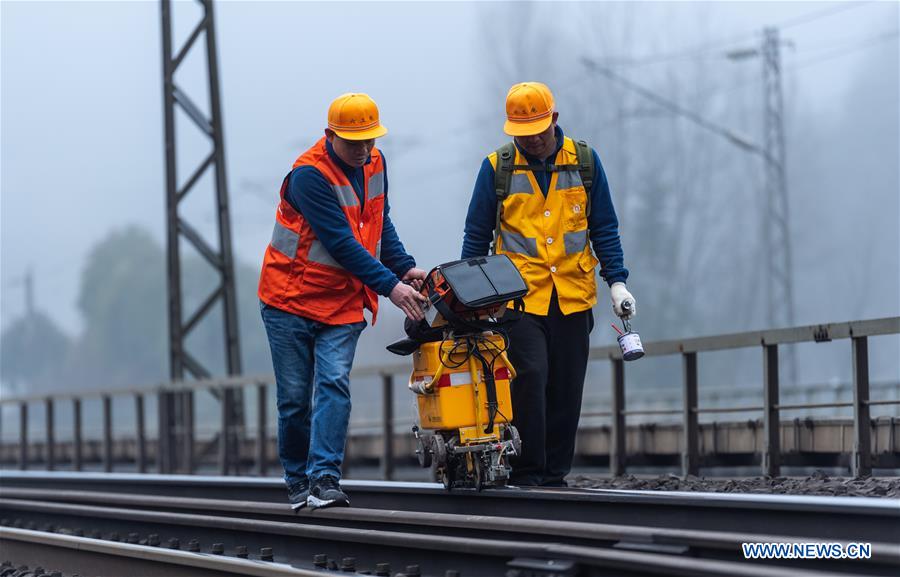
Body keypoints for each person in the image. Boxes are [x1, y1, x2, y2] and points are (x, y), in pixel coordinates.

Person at [461, 82, 636, 487]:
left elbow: (604, 228)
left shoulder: (586, 163)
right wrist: (474, 297)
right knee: (530, 375)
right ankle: (528, 472)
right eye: (523, 134)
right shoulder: (497, 168)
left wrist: (618, 283)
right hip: (519, 300)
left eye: (539, 130)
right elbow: (476, 235)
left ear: (554, 120)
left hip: (573, 296)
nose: (533, 140)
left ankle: (555, 476)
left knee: (566, 384)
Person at [258, 93, 426, 509]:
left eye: (370, 140)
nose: (364, 150)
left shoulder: (376, 164)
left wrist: (403, 267)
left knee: (334, 384)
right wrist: (392, 287)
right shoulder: (308, 177)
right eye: (354, 142)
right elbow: (341, 242)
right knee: (295, 400)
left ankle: (325, 479)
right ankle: (298, 480)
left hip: (342, 303)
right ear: (330, 135)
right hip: (289, 302)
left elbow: (378, 220)